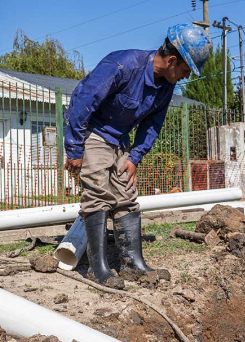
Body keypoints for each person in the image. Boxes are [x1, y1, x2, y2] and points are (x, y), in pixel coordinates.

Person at [64, 25, 212, 288]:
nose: (184, 77)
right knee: (98, 193)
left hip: (120, 140)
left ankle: (133, 264)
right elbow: (83, 99)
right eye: (185, 71)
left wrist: (134, 158)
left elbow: (152, 125)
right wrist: (75, 148)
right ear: (171, 61)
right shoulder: (122, 65)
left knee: (126, 197)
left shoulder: (165, 87)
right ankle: (98, 268)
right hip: (94, 134)